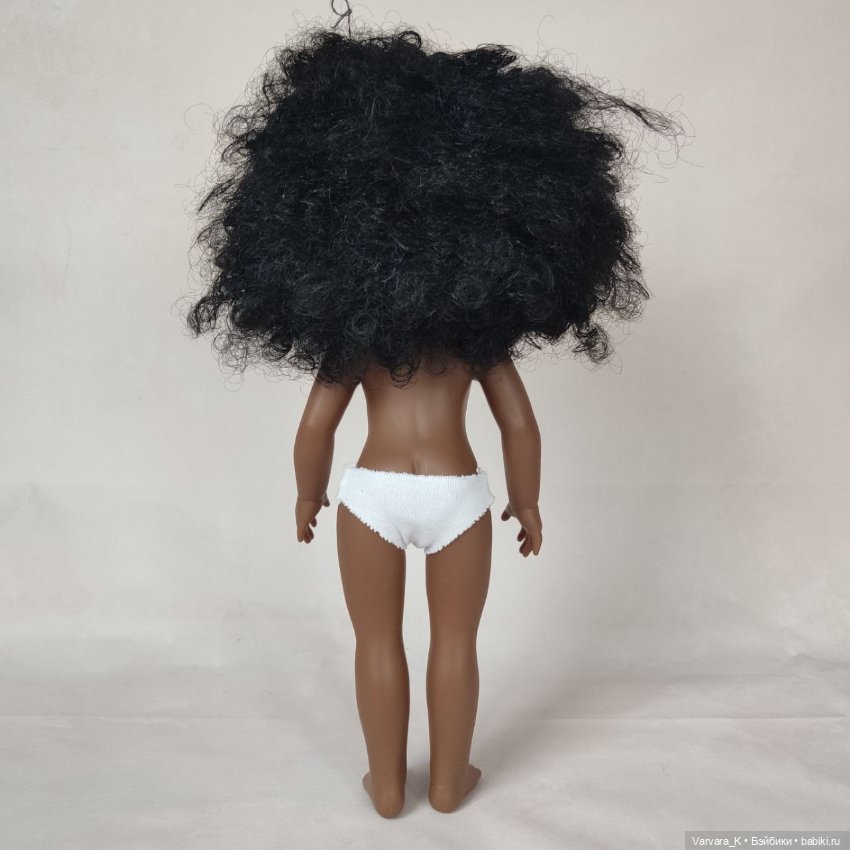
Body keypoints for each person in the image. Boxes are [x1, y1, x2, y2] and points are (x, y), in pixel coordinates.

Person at [180, 5, 683, 818]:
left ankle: (386, 789)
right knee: (455, 643)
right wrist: (528, 502)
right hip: (459, 495)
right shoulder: (481, 339)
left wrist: (308, 494)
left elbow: (315, 428)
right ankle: (449, 785)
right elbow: (519, 426)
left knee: (376, 641)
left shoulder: (355, 339)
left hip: (371, 494)